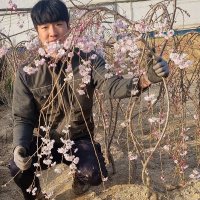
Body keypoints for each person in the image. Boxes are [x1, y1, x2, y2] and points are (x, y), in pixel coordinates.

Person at [9, 0, 169, 199]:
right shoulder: (27, 72)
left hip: (78, 136)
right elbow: (23, 117)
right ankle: (35, 195)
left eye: (59, 24)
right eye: (45, 27)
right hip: (44, 139)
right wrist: (20, 146)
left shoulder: (87, 59)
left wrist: (145, 79)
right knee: (17, 166)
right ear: (37, 31)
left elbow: (111, 85)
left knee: (94, 174)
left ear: (68, 26)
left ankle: (80, 175)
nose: (53, 32)